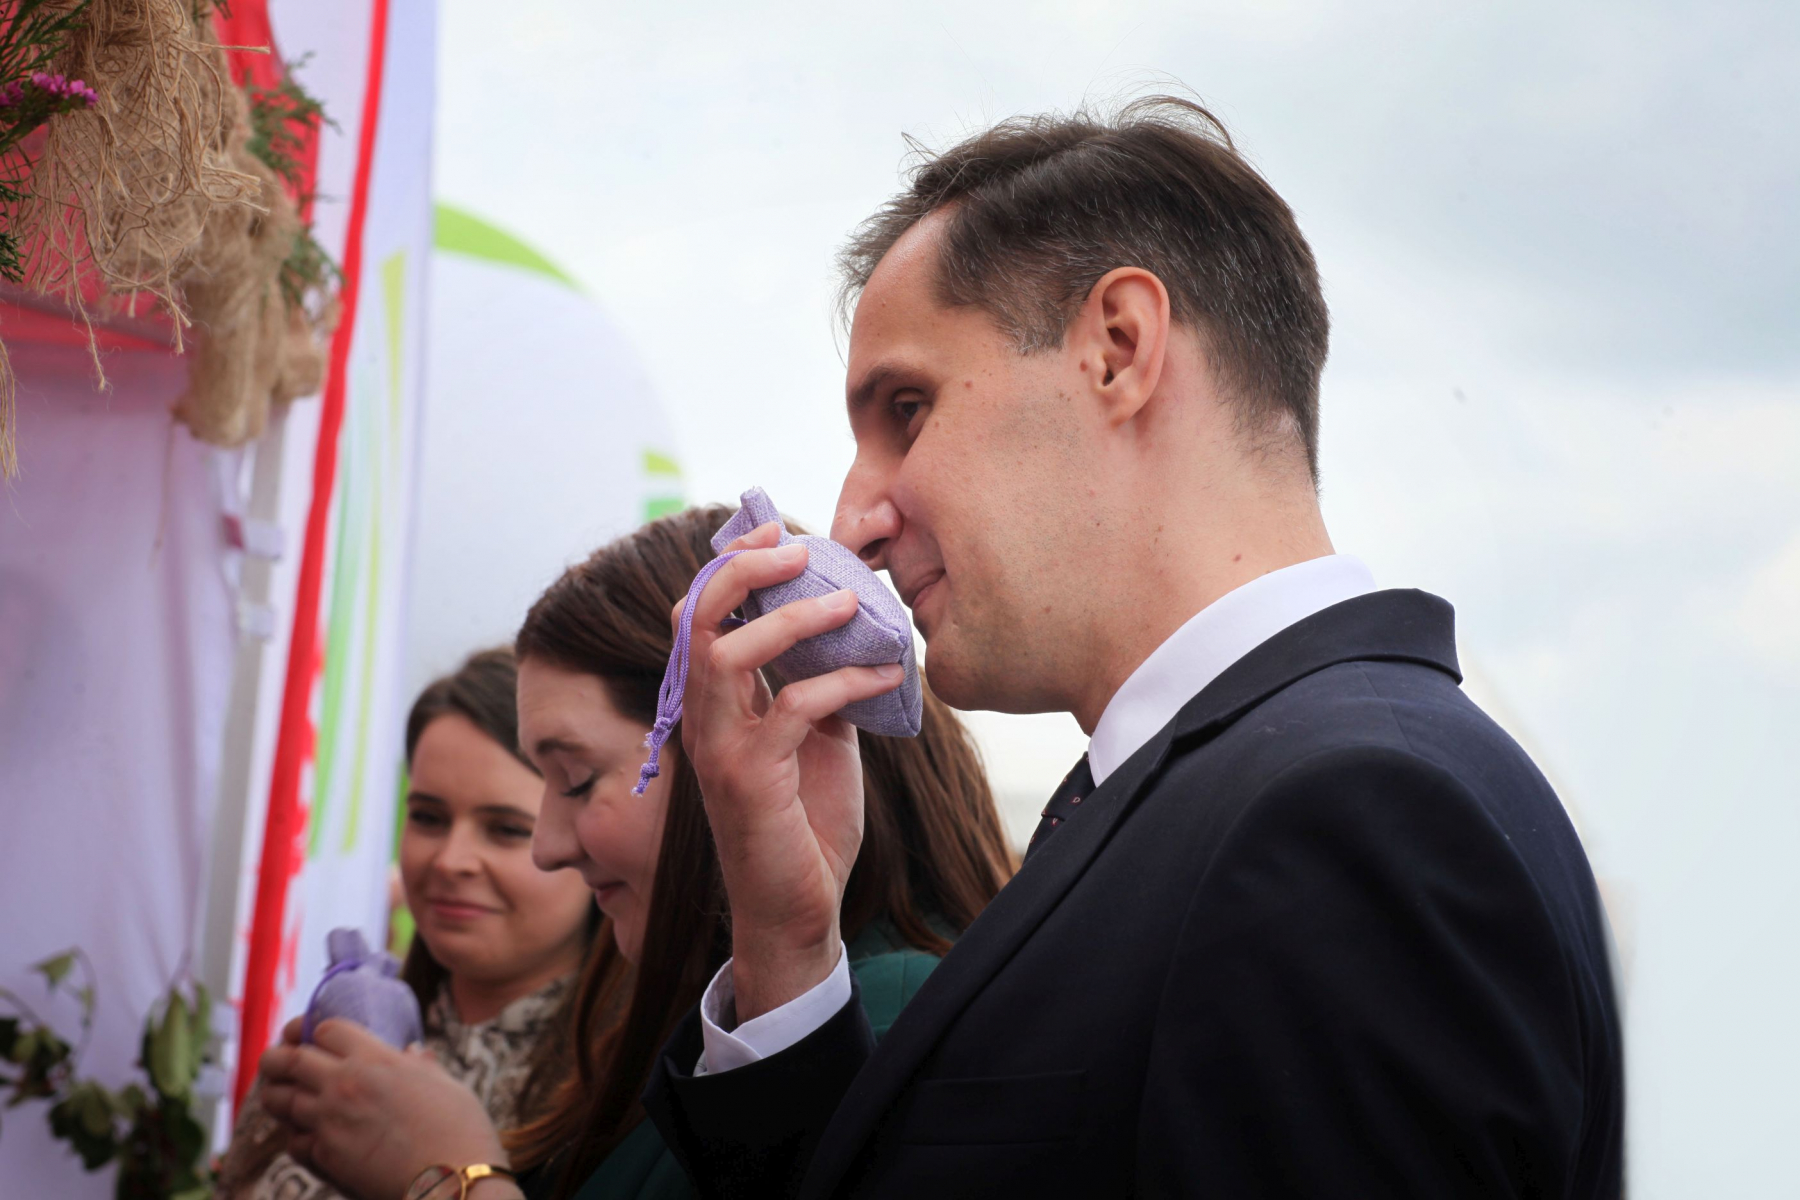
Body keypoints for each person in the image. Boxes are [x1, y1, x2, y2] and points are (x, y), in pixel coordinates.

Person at [640, 97, 1626, 1198]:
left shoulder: (1349, 815)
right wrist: (788, 946)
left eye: (908, 409)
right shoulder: (1244, 794)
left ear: (1118, 348)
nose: (853, 518)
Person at [254, 506, 1013, 1200]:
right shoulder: (692, 1015)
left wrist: (450, 1174)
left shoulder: (894, 1020)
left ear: (758, 734)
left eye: (575, 780)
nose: (548, 847)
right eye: (425, 816)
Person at [218, 648, 598, 1200]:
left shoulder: (621, 1093)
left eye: (506, 829)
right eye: (427, 817)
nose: (450, 860)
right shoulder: (341, 1034)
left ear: (590, 842)